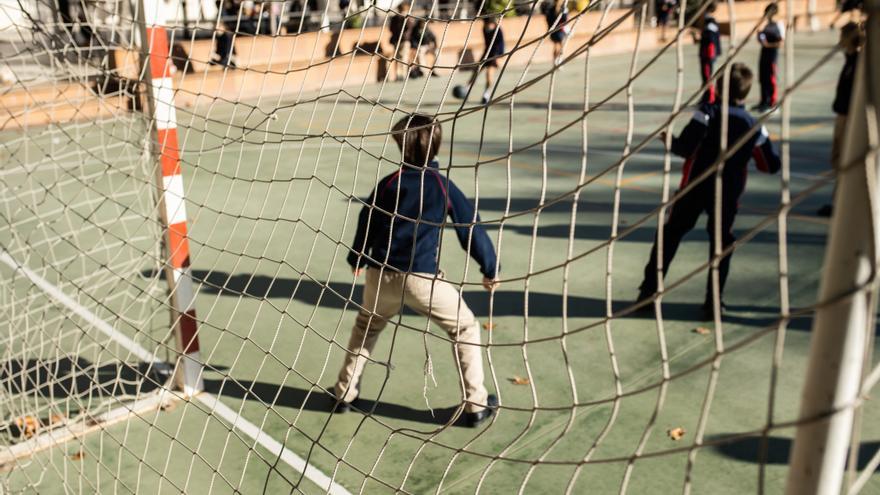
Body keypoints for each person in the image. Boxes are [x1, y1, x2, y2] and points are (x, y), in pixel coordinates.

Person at [334, 114, 500, 427]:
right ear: (437, 146)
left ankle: (344, 393)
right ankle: (476, 405)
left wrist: (357, 258)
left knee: (366, 327)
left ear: (401, 146)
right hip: (422, 281)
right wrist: (490, 268)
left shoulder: (389, 183)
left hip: (379, 276)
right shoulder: (442, 184)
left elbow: (366, 219)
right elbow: (471, 229)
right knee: (464, 328)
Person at [637, 63, 781, 320]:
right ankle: (713, 302)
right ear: (746, 93)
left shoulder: (707, 112)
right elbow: (770, 166)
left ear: (719, 87)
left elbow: (685, 147)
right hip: (726, 194)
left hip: (694, 187)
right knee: (721, 244)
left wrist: (668, 139)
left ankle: (647, 295)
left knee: (670, 235)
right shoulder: (755, 125)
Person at [817, 21, 864, 217]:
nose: (839, 40)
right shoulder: (850, 59)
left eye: (842, 36)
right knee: (837, 158)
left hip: (851, 118)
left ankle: (842, 204)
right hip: (842, 116)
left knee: (845, 159)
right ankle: (839, 200)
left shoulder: (859, 62)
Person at [754, 4, 784, 112]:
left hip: (772, 55)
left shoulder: (778, 25)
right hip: (764, 54)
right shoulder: (766, 25)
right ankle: (763, 101)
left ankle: (772, 103)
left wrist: (768, 45)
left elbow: (780, 43)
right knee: (763, 78)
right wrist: (759, 36)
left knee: (771, 79)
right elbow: (762, 39)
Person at [698, 2, 721, 104]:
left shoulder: (710, 23)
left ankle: (710, 98)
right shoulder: (709, 22)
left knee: (708, 77)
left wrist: (709, 55)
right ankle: (706, 96)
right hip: (706, 54)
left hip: (707, 55)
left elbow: (711, 42)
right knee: (705, 76)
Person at [387, 1, 415, 82]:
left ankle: (400, 74)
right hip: (404, 40)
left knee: (399, 57)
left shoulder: (395, 18)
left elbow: (391, 29)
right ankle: (402, 74)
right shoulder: (406, 17)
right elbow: (410, 27)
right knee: (403, 57)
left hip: (398, 40)